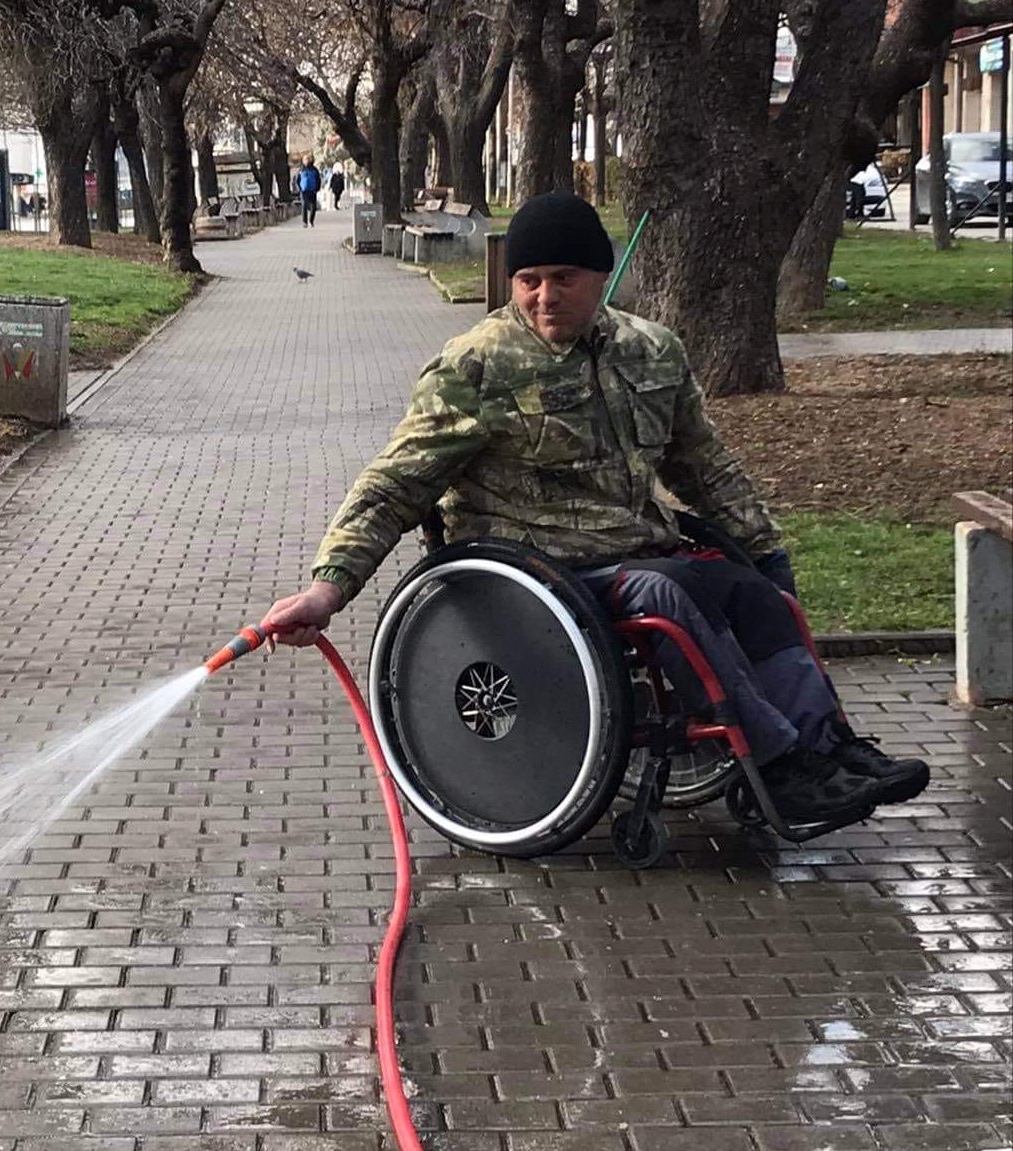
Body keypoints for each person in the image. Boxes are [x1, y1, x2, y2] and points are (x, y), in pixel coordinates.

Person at [265, 191, 930, 826]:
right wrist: (329, 590)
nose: (544, 296)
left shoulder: (651, 351)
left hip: (637, 549)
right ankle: (780, 765)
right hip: (540, 569)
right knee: (668, 593)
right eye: (528, 280)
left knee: (752, 590)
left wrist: (763, 548)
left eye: (564, 277)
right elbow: (394, 484)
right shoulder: (476, 367)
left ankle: (831, 745)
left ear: (600, 276)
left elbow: (704, 466)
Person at [297, 156, 321, 227]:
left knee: (313, 207)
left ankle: (311, 221)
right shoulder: (301, 170)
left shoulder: (314, 170)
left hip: (312, 191)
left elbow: (318, 180)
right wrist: (300, 189)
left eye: (307, 159)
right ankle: (305, 222)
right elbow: (297, 180)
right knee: (304, 205)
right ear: (303, 161)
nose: (306, 161)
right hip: (304, 191)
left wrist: (317, 189)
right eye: (305, 159)